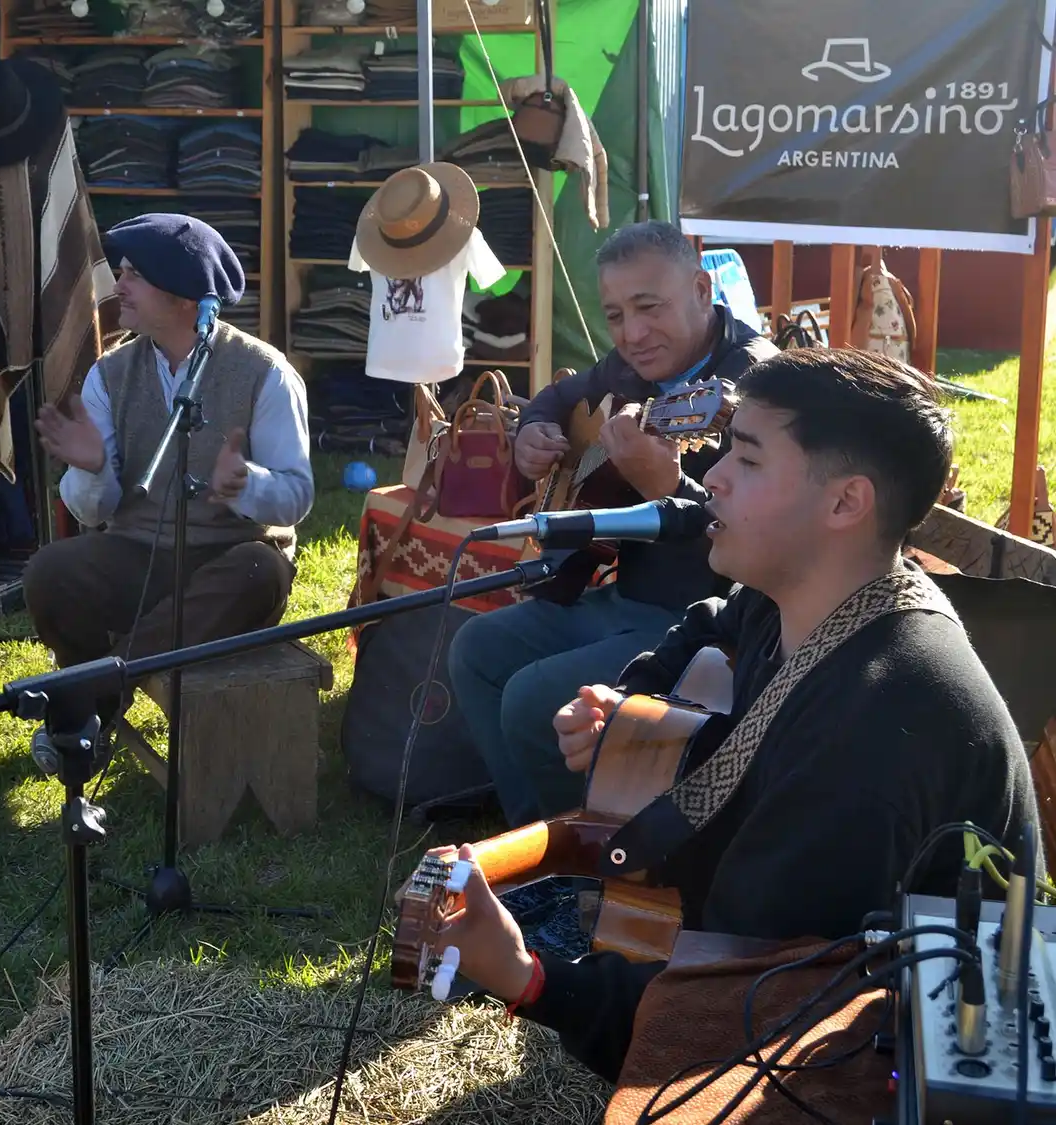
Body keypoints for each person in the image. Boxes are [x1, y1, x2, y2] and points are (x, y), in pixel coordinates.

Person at [434, 347, 1042, 1084]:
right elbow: (711, 618)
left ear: (845, 503)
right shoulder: (812, 597)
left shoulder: (875, 726)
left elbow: (735, 1016)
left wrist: (527, 976)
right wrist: (635, 698)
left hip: (889, 1066)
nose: (712, 476)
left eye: (747, 461)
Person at [448, 220, 778, 826]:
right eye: (616, 315)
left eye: (649, 308)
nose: (633, 334)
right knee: (475, 649)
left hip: (707, 620)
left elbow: (764, 544)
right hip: (625, 593)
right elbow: (569, 389)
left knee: (531, 698)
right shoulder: (633, 367)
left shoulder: (759, 385)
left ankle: (588, 851)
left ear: (703, 291)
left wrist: (668, 488)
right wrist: (534, 432)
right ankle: (531, 833)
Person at [22, 213, 313, 676]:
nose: (118, 286)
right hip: (138, 554)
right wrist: (94, 468)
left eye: (134, 275)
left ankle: (90, 697)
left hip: (232, 556)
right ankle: (101, 692)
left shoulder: (265, 372)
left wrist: (247, 485)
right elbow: (93, 514)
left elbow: (296, 497)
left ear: (181, 296)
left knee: (257, 572)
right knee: (50, 571)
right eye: (121, 273)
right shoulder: (110, 375)